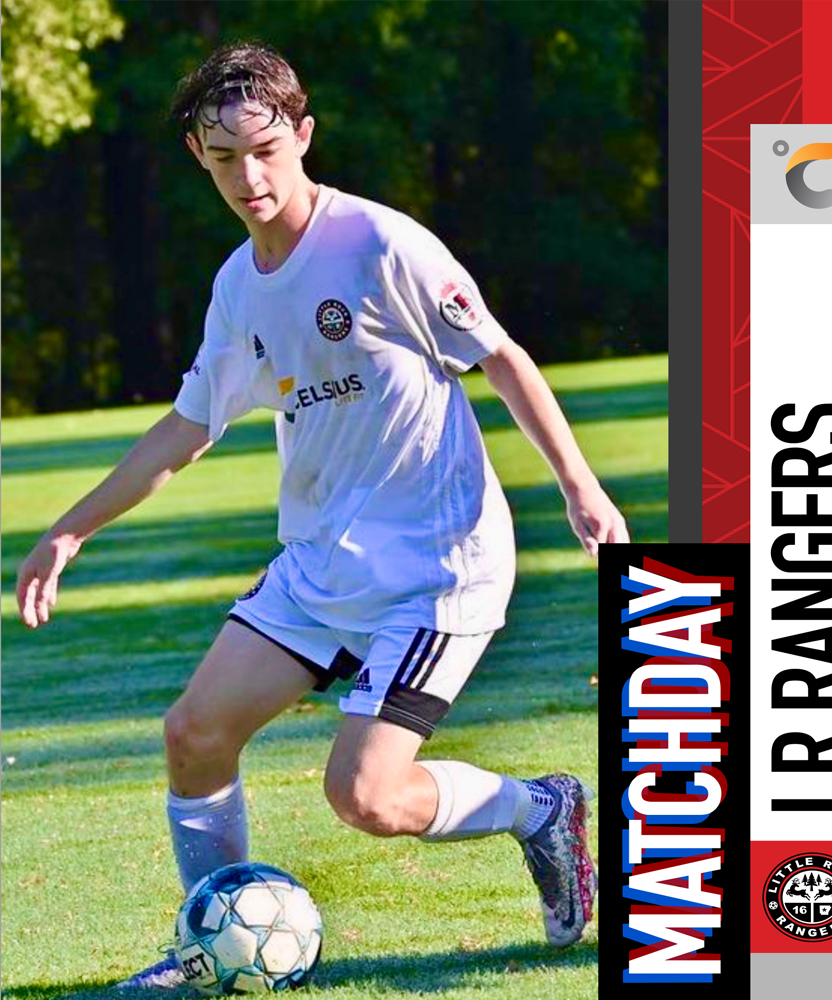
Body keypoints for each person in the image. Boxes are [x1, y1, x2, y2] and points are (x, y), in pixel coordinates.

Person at [15, 43, 628, 989]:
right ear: (197, 154)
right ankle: (211, 949)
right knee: (194, 735)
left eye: (266, 150)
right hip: (321, 565)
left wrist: (579, 485)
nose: (250, 177)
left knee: (367, 796)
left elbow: (501, 357)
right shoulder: (238, 286)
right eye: (226, 158)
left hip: (436, 567)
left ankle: (539, 809)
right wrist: (70, 529)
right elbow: (189, 427)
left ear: (302, 135)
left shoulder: (379, 243)